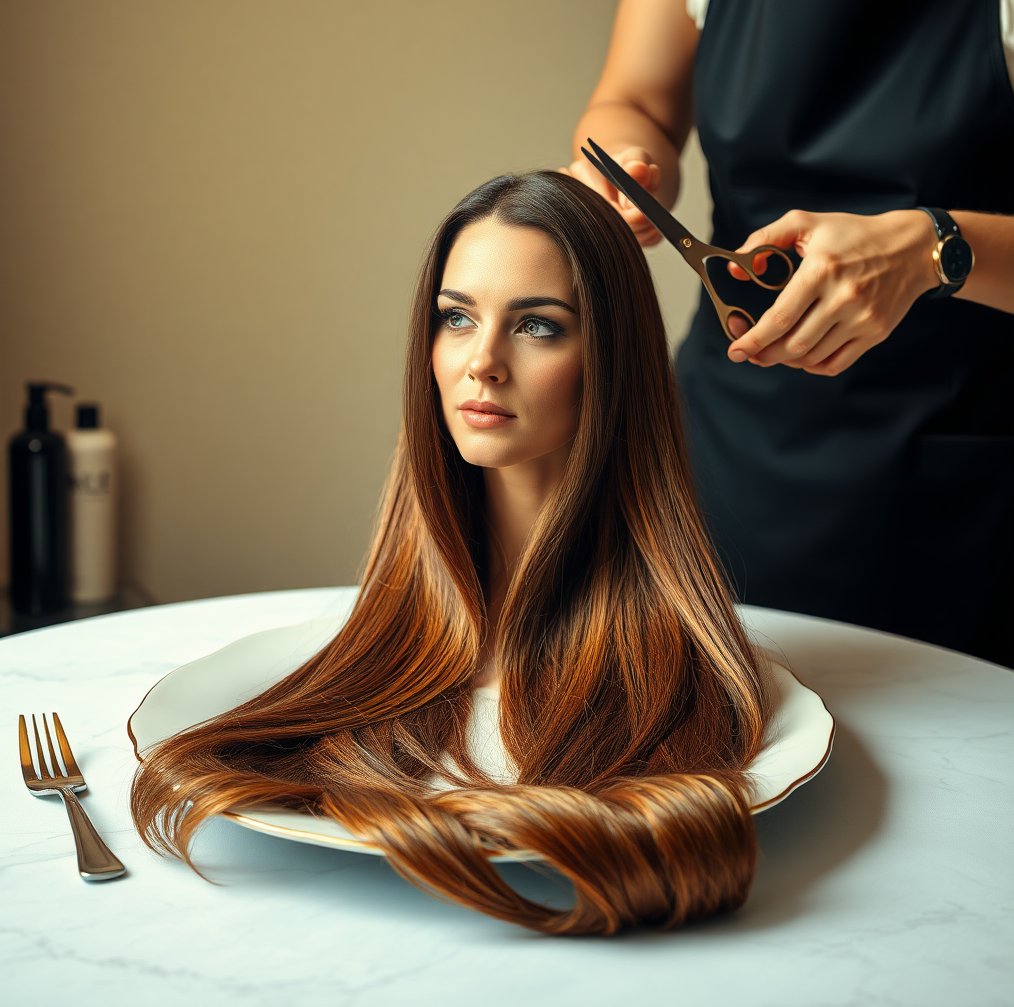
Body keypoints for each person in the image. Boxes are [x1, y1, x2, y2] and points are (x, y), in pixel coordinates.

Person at [131, 172, 772, 936]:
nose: (483, 362)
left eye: (538, 326)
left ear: (614, 358)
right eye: (457, 318)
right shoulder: (364, 664)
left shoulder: (684, 686)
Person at [567, 0, 1014, 665]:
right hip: (725, 446)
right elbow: (635, 100)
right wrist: (631, 164)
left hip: (955, 487)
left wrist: (937, 249)